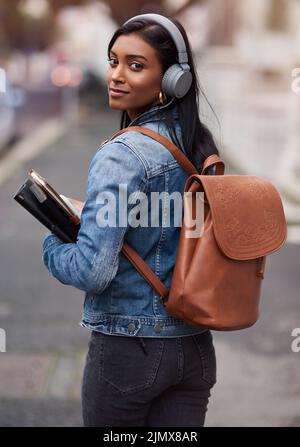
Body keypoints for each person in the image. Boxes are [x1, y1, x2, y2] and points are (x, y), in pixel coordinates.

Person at [42, 13, 219, 427]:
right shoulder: (200, 143)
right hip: (194, 350)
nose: (116, 76)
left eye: (135, 65)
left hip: (128, 350)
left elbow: (92, 270)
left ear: (174, 79)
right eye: (113, 61)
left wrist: (53, 242)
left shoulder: (122, 154)